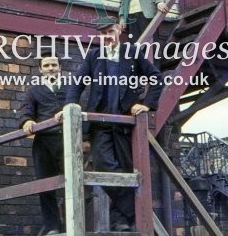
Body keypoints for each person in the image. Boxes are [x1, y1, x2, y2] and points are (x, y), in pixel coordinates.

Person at [62, 20, 163, 231]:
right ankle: (135, 211)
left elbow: (156, 77)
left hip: (126, 123)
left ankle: (121, 221)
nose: (107, 36)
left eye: (111, 31)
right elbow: (77, 82)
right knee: (103, 165)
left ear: (119, 30)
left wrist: (146, 105)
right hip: (101, 122)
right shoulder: (93, 56)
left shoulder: (132, 52)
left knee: (125, 171)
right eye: (103, 34)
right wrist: (71, 105)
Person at [19, 54, 66, 235]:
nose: (51, 68)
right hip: (44, 142)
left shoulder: (70, 88)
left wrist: (84, 137)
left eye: (54, 64)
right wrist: (26, 122)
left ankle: (75, 221)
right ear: (41, 69)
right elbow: (26, 110)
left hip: (67, 139)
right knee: (45, 184)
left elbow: (78, 105)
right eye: (46, 65)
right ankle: (53, 226)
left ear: (59, 67)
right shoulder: (33, 92)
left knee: (74, 181)